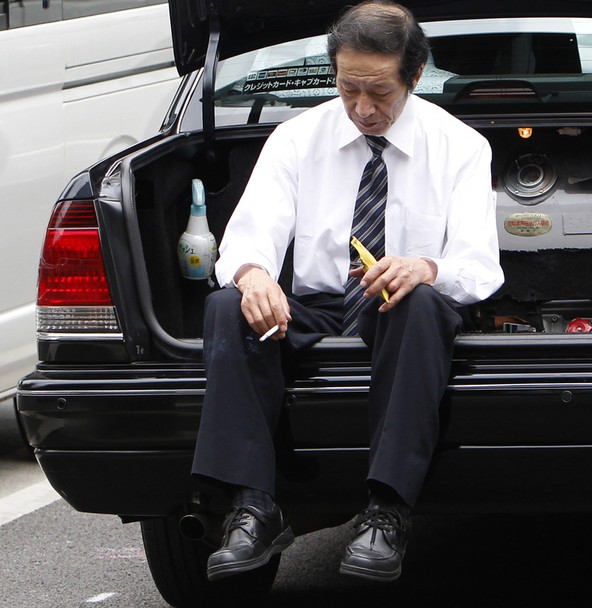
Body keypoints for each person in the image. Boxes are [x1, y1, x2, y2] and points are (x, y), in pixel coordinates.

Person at [191, 0, 503, 583]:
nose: (363, 108)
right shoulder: (294, 138)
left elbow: (480, 267)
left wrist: (426, 268)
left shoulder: (460, 146)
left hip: (398, 312)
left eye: (380, 92)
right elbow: (247, 240)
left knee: (419, 304)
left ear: (414, 74)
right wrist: (254, 274)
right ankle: (251, 508)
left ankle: (387, 512)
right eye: (347, 89)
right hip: (312, 307)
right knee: (228, 305)